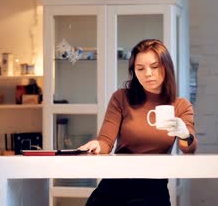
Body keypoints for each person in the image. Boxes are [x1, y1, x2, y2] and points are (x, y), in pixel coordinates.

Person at [79, 39, 197, 206]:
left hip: (153, 187)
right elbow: (105, 141)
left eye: (154, 67)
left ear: (166, 67)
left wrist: (184, 134)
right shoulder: (121, 98)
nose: (147, 73)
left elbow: (189, 148)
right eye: (140, 68)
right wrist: (97, 145)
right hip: (115, 183)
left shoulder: (181, 105)